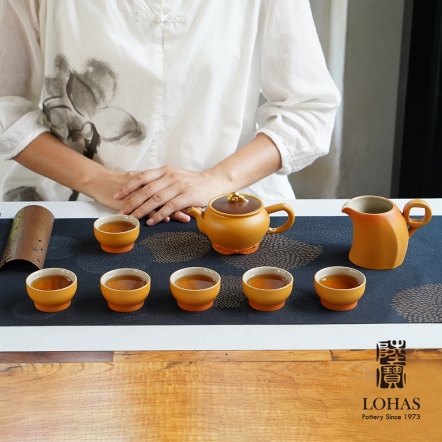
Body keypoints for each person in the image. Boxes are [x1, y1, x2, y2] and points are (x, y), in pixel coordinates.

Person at [0, 0, 340, 225]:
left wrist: (217, 180)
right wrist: (95, 180)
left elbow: (308, 108)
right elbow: (5, 103)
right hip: (72, 205)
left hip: (229, 206)